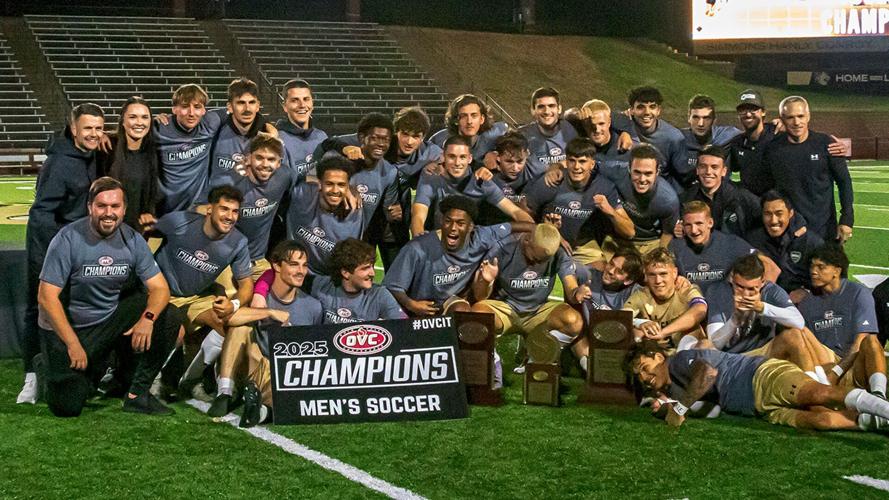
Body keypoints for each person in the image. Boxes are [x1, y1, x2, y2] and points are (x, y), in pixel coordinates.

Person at [37, 177, 179, 416]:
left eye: (115, 207)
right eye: (102, 206)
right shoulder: (67, 239)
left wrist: (148, 319)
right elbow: (46, 297)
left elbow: (160, 288)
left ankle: (137, 394)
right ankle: (47, 365)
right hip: (68, 329)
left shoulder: (132, 239)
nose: (108, 213)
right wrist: (72, 344)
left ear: (123, 209)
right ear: (90, 207)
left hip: (106, 321)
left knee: (169, 315)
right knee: (67, 407)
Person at [18, 102, 104, 404]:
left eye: (98, 128)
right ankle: (30, 375)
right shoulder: (60, 162)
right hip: (49, 246)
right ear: (73, 129)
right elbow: (42, 214)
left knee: (70, 310)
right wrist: (51, 260)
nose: (94, 134)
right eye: (88, 128)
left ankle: (64, 370)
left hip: (74, 247)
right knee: (39, 308)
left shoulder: (91, 154)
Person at [627, 339, 889, 431]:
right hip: (759, 408)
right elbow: (714, 410)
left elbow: (707, 374)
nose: (643, 377)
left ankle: (884, 408)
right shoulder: (675, 389)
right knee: (824, 421)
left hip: (761, 376)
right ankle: (877, 423)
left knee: (821, 393)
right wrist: (671, 406)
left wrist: (679, 409)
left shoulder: (680, 361)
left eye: (643, 368)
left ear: (658, 357)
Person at [149, 186, 254, 398]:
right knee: (175, 332)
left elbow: (247, 285)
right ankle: (155, 380)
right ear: (209, 209)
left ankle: (194, 380)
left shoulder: (238, 242)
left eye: (234, 211)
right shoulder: (179, 222)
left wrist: (232, 304)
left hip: (196, 297)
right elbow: (146, 233)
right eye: (224, 209)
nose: (230, 216)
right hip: (163, 294)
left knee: (230, 326)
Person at [209, 240, 323, 418]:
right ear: (276, 266)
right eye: (294, 265)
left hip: (279, 374)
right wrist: (268, 312)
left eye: (304, 265)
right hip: (250, 364)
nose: (301, 271)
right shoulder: (258, 296)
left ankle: (260, 411)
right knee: (240, 328)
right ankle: (225, 392)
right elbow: (230, 319)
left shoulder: (313, 307)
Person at [384, 195, 534, 316]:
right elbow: (392, 285)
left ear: (470, 227)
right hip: (415, 305)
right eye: (448, 221)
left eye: (460, 223)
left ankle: (460, 352)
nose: (453, 228)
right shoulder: (417, 248)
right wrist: (412, 304)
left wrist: (550, 233)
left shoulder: (481, 237)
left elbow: (513, 227)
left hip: (449, 301)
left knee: (462, 310)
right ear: (442, 222)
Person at [471, 223, 584, 372]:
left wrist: (577, 293)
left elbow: (570, 287)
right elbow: (480, 296)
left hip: (538, 310)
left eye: (542, 261)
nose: (537, 264)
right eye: (535, 258)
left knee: (573, 321)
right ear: (527, 240)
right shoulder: (502, 249)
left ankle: (537, 354)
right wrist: (486, 280)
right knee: (478, 316)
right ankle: (492, 361)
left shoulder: (559, 252)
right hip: (506, 309)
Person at [796, 244, 887, 398]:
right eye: (812, 266)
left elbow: (861, 341)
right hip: (827, 363)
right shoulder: (807, 304)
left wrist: (836, 372)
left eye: (821, 267)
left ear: (836, 271)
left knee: (871, 341)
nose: (813, 271)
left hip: (854, 363)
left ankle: (879, 394)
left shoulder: (858, 293)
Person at [525, 137, 634, 264]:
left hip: (582, 246)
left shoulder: (604, 187)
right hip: (549, 241)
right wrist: (550, 234)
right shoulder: (551, 181)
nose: (577, 167)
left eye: (582, 161)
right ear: (566, 162)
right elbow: (524, 212)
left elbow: (630, 232)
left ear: (592, 164)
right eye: (572, 161)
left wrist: (610, 211)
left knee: (601, 269)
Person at [763, 96, 854, 243]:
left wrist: (847, 218)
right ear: (782, 119)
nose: (796, 122)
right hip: (790, 230)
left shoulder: (827, 144)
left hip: (824, 229)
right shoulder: (773, 148)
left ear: (808, 116)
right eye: (790, 117)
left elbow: (844, 182)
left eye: (800, 116)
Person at [727, 89, 846, 196]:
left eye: (753, 109)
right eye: (743, 110)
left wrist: (840, 147)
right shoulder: (736, 143)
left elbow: (807, 141)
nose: (748, 114)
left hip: (779, 209)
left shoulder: (778, 134)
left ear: (763, 112)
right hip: (751, 209)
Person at [412, 136, 532, 235]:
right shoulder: (431, 176)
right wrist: (420, 241)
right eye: (452, 157)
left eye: (462, 157)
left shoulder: (481, 179)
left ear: (469, 159)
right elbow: (418, 215)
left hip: (471, 245)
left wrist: (534, 231)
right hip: (439, 241)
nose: (457, 163)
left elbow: (514, 211)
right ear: (443, 156)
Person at [668, 201, 777, 294]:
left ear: (710, 223)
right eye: (688, 225)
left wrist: (761, 297)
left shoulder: (731, 243)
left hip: (723, 306)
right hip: (690, 305)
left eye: (699, 223)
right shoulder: (676, 247)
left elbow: (771, 267)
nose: (694, 230)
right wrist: (676, 280)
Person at [285, 155, 364, 277]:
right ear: (320, 183)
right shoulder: (302, 195)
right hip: (293, 273)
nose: (335, 190)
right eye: (329, 183)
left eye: (341, 185)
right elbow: (291, 176)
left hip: (326, 280)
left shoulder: (354, 213)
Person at [153, 83, 226, 215]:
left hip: (197, 210)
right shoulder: (159, 128)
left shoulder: (210, 122)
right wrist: (103, 136)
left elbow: (239, 111)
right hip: (164, 211)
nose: (192, 113)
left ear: (204, 110)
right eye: (185, 107)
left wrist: (267, 124)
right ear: (174, 109)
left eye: (197, 107)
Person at [229, 133, 294, 276]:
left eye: (271, 159)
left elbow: (311, 180)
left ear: (279, 162)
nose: (265, 164)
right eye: (259, 158)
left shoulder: (285, 176)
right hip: (227, 259)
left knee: (271, 295)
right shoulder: (232, 184)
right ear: (249, 158)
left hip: (258, 260)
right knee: (233, 296)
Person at [623, 247, 707, 351]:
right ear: (646, 276)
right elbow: (620, 318)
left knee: (701, 341)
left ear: (674, 273)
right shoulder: (641, 295)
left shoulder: (684, 289)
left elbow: (700, 310)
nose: (658, 281)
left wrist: (663, 332)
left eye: (663, 274)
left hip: (686, 353)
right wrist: (640, 323)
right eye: (652, 275)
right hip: (657, 357)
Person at [311, 238, 407, 324]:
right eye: (365, 268)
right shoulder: (321, 285)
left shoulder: (379, 295)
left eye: (372, 266)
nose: (372, 273)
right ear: (345, 273)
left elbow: (404, 326)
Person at [746, 191, 823, 296]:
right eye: (768, 214)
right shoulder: (753, 240)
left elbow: (826, 282)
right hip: (764, 303)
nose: (773, 220)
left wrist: (807, 292)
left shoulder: (811, 242)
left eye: (779, 214)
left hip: (801, 306)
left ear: (790, 214)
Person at [101, 96, 159, 233]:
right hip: (107, 228)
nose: (139, 122)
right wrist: (97, 135)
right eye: (133, 117)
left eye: (145, 117)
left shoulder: (154, 151)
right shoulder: (106, 148)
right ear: (122, 121)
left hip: (138, 231)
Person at [678, 145, 761, 238]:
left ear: (724, 171)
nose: (708, 171)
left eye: (714, 167)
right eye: (703, 166)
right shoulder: (685, 200)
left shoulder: (742, 197)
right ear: (697, 170)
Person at [612, 143, 681, 255]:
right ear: (629, 168)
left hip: (650, 242)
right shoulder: (615, 173)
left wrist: (659, 256)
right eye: (637, 172)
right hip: (616, 238)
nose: (642, 179)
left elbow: (667, 234)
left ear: (657, 172)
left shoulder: (668, 200)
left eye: (648, 174)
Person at [617, 86, 688, 191]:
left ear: (658, 110)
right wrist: (625, 130)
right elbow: (607, 116)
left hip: (659, 192)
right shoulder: (620, 124)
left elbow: (682, 177)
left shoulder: (674, 138)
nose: (647, 112)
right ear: (631, 110)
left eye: (652, 107)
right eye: (641, 107)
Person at [206, 78, 271, 193]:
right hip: (218, 203)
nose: (247, 109)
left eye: (251, 102)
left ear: (258, 106)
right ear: (230, 107)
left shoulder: (268, 135)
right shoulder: (216, 130)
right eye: (241, 103)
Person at [429, 94, 509, 169]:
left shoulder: (494, 135)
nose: (469, 121)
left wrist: (498, 152)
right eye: (464, 116)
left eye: (474, 116)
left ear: (482, 119)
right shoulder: (439, 140)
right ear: (455, 120)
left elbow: (516, 141)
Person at [475, 132, 535, 226]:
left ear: (527, 155)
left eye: (519, 162)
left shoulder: (537, 168)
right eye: (509, 161)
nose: (515, 168)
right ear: (498, 157)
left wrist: (555, 167)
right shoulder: (486, 175)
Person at [516, 87, 577, 178]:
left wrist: (558, 165)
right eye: (541, 107)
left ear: (559, 109)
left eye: (551, 106)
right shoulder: (522, 135)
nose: (547, 111)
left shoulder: (571, 129)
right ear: (533, 110)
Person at [276, 79, 328, 182]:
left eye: (306, 99)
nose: (302, 105)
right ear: (285, 106)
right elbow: (282, 181)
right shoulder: (278, 139)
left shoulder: (321, 136)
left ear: (312, 103)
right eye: (295, 100)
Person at [680, 94, 740, 173]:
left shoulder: (727, 135)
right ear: (689, 118)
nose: (700, 123)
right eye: (696, 117)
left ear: (714, 120)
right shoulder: (677, 138)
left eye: (706, 118)